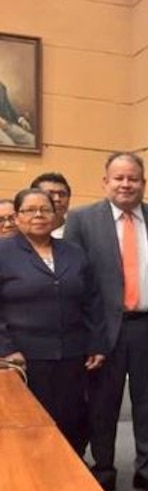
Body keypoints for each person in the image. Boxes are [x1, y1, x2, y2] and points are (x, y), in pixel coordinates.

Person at [64, 152, 148, 491]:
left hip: (146, 326)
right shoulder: (81, 220)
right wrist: (87, 335)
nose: (126, 184)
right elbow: (73, 282)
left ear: (143, 183)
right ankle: (104, 467)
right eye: (119, 178)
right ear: (105, 181)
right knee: (103, 403)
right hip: (101, 329)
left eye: (133, 178)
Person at [0, 188, 106, 451]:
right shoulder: (4, 253)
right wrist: (6, 348)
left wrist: (96, 343)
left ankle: (69, 480)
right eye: (30, 210)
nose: (39, 215)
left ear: (56, 214)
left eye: (46, 209)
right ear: (17, 216)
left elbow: (92, 300)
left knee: (72, 422)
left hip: (72, 354)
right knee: (29, 426)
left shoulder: (73, 252)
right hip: (24, 358)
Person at [31, 172, 72, 238]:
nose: (57, 199)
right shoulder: (21, 229)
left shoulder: (76, 231)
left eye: (62, 194)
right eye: (50, 194)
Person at [0, 81, 36, 148]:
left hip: (6, 125)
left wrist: (20, 119)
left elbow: (9, 107)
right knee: (9, 146)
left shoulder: (1, 87)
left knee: (32, 141)